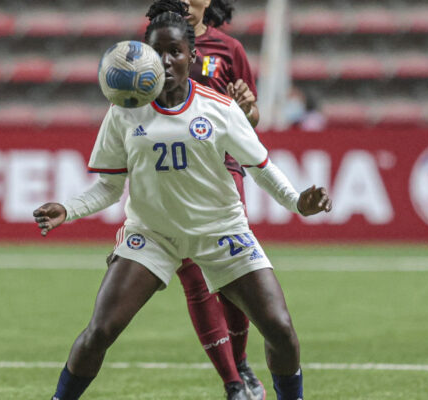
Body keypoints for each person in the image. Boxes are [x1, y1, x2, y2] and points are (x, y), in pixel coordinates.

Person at [34, 2, 332, 399]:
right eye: (157, 51)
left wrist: (297, 202)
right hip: (152, 235)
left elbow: (260, 166)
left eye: (175, 51)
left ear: (193, 56)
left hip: (222, 231)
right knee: (99, 332)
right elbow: (108, 187)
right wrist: (67, 210)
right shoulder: (124, 112)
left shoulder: (220, 108)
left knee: (280, 330)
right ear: (143, 55)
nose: (167, 59)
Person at [169, 0, 266, 398]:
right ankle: (233, 383)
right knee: (192, 274)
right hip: (169, 171)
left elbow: (253, 115)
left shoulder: (230, 49)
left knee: (231, 274)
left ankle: (240, 362)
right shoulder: (152, 48)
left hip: (221, 169)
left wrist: (246, 108)